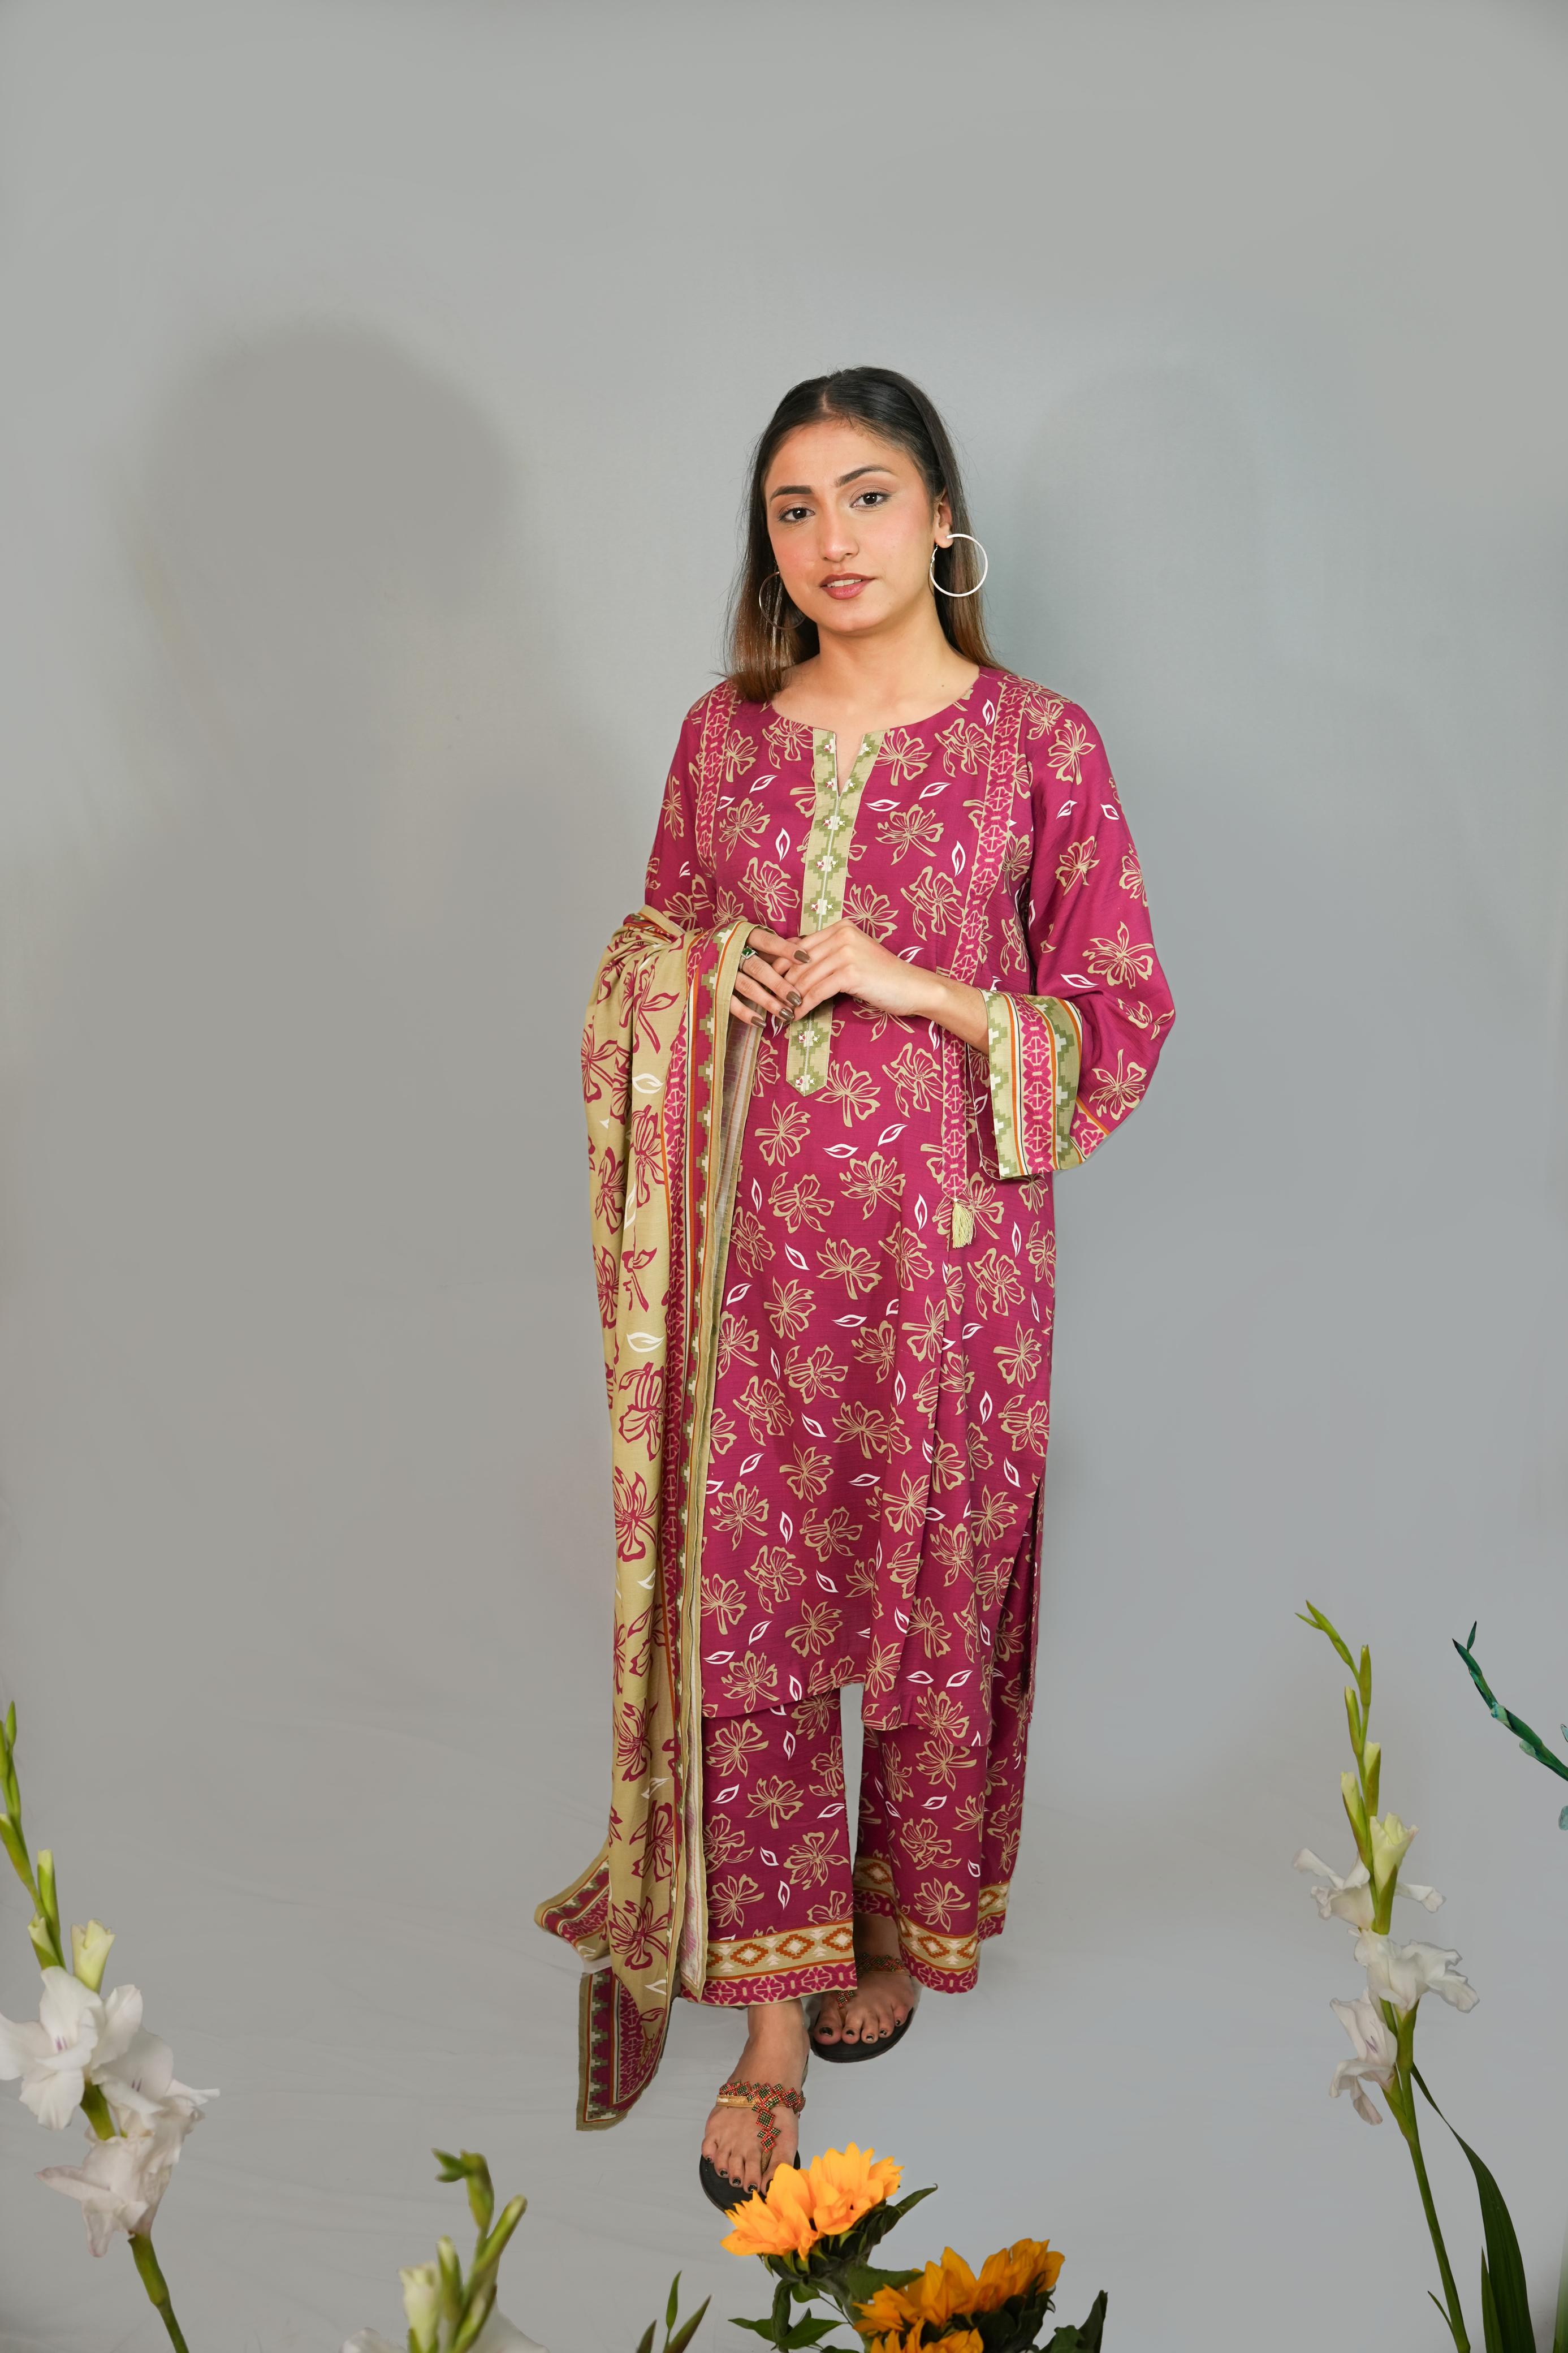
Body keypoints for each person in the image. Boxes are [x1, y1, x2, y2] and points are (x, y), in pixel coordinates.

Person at [537, 367, 1174, 2207]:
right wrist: (693, 975)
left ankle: (895, 1924)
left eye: (869, 496)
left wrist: (920, 986)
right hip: (749, 1251)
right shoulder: (721, 740)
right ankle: (766, 2027)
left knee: (924, 1592)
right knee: (756, 1609)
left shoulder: (1040, 745)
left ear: (943, 516)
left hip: (955, 1263)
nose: (833, 540)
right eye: (796, 509)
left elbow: (1120, 1018)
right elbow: (646, 954)